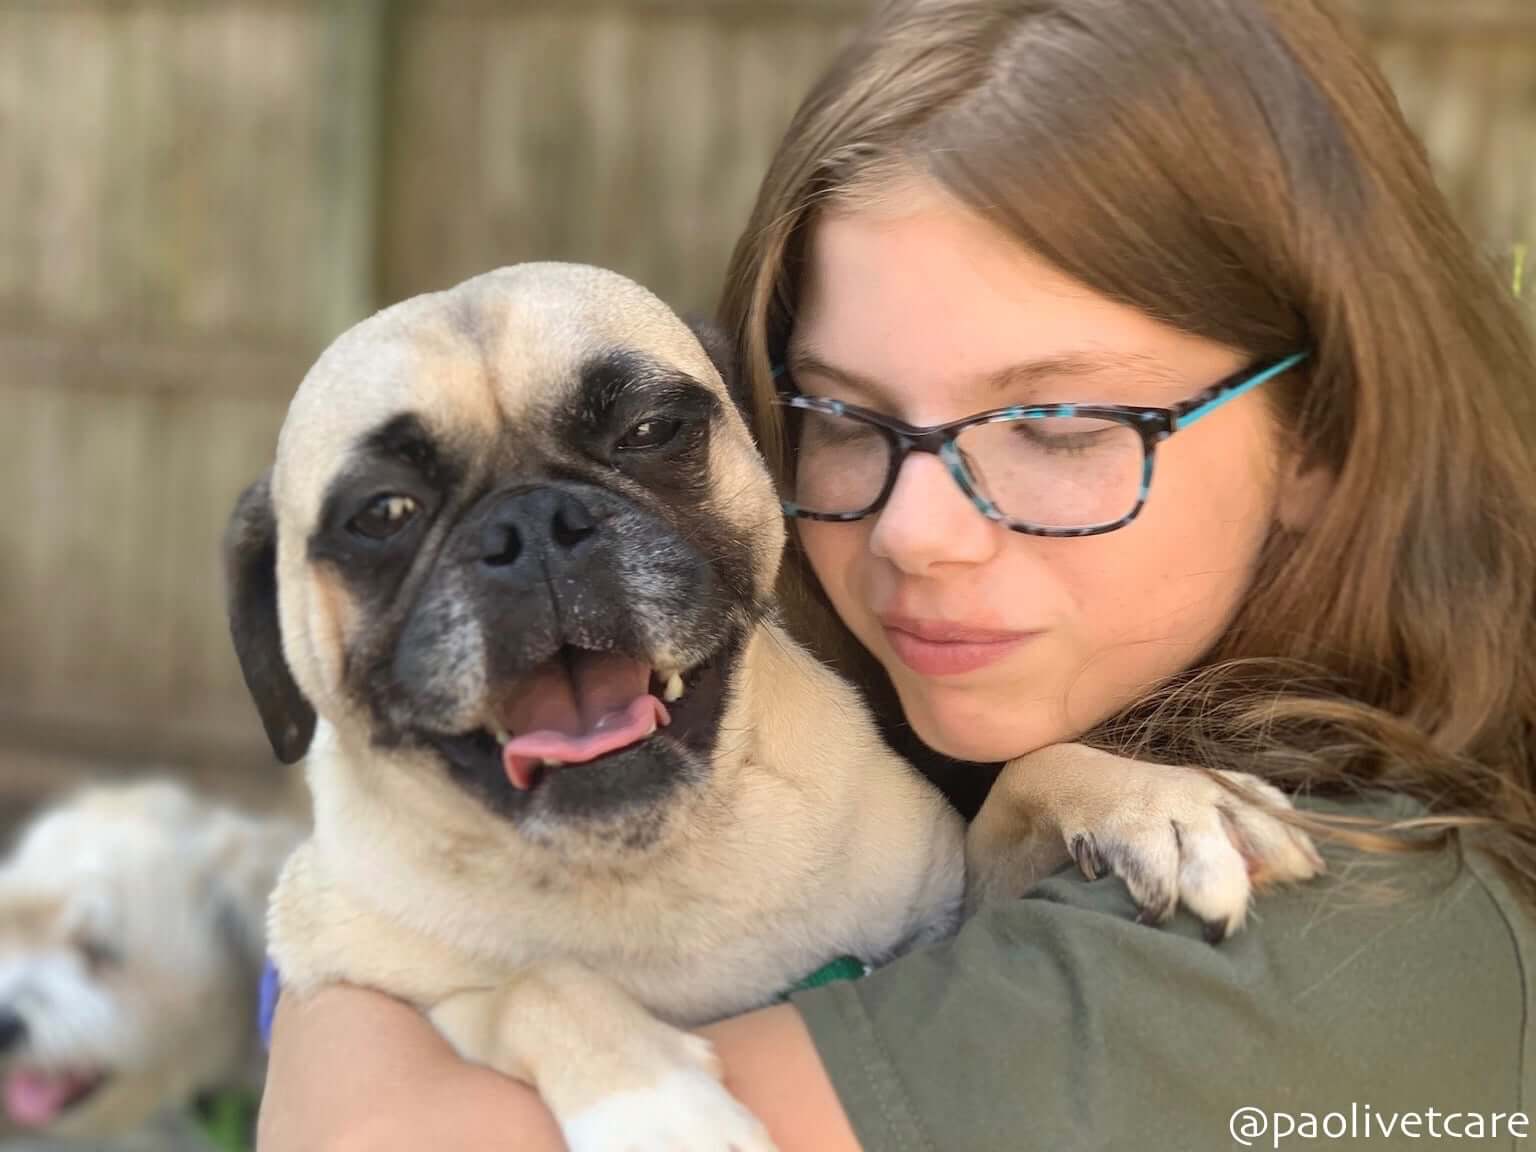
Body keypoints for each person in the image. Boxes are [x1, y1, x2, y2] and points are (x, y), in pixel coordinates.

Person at [256, 0, 1536, 1148]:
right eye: (847, 418)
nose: (916, 532)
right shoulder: (932, 737)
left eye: (1057, 427)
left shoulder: (1356, 952)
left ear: (1322, 433)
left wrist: (347, 987)